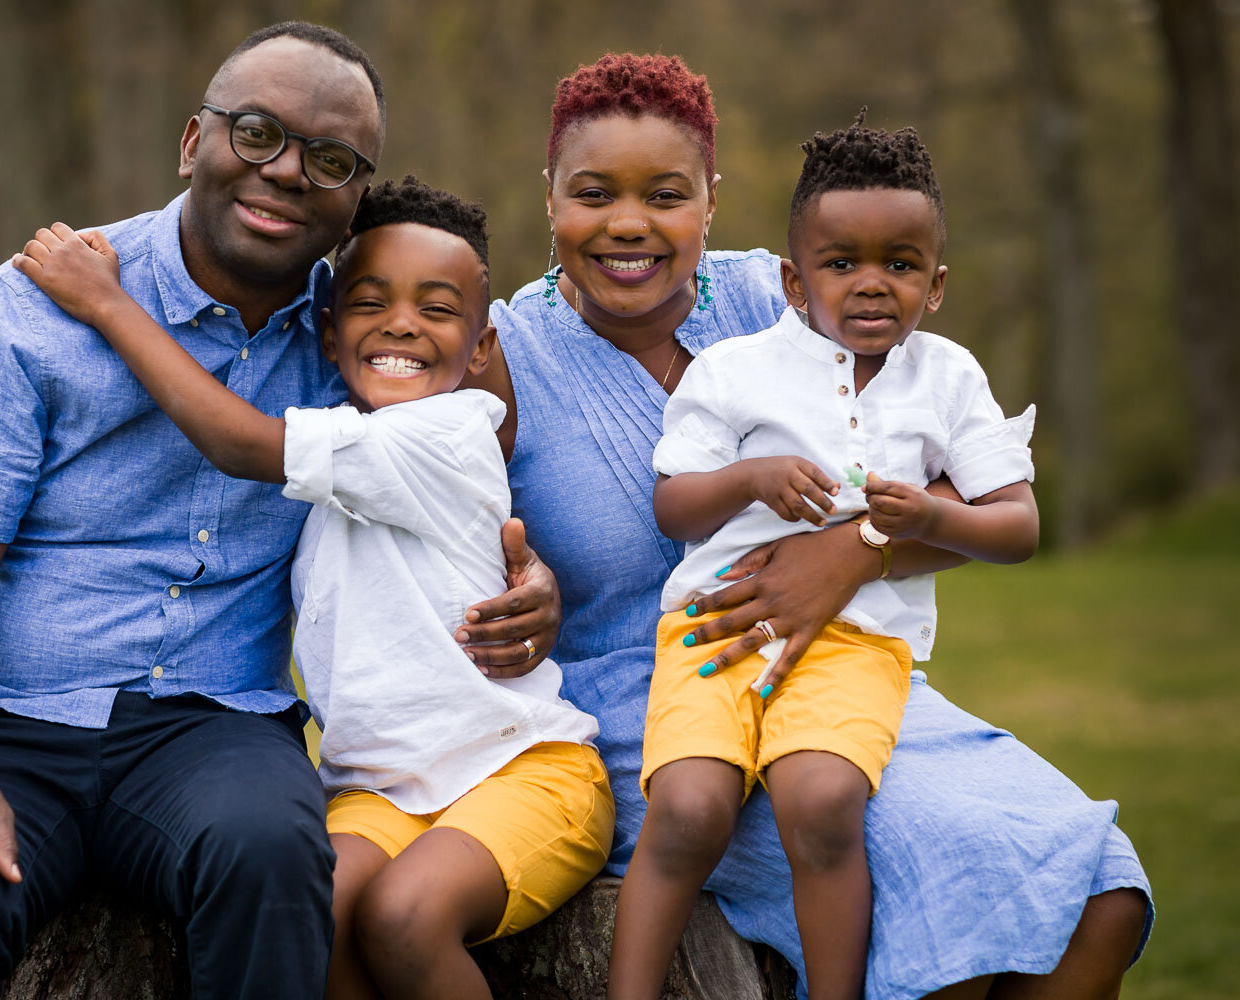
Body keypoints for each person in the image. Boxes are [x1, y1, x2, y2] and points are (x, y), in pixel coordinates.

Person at [0, 24, 559, 1000]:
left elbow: (486, 433)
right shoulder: (33, 310)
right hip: (5, 714)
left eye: (330, 159)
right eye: (258, 134)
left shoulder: (357, 326)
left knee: (272, 859)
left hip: (211, 722)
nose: (285, 173)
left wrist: (527, 573)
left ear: (356, 193)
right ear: (195, 141)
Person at [468, 53, 1151, 1000]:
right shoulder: (506, 352)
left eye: (667, 194)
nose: (629, 224)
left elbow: (964, 487)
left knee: (1098, 888)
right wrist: (528, 587)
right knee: (943, 890)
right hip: (657, 710)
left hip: (853, 671)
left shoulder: (781, 294)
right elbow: (445, 536)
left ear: (712, 198)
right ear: (549, 199)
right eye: (592, 194)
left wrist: (855, 553)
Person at [12, 176, 614, 1000]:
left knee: (405, 917)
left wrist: (111, 306)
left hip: (525, 769)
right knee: (310, 916)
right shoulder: (354, 444)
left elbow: (236, 440)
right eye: (372, 303)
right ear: (329, 336)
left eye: (437, 310)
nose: (401, 323)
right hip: (378, 790)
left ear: (482, 347)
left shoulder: (438, 432)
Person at [612, 114, 1040, 1000]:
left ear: (938, 282)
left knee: (822, 802)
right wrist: (750, 478)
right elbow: (673, 504)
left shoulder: (948, 377)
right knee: (690, 808)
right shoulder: (733, 370)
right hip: (713, 627)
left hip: (856, 645)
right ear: (792, 280)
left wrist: (927, 515)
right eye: (841, 263)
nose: (872, 285)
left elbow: (1017, 524)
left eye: (901, 264)